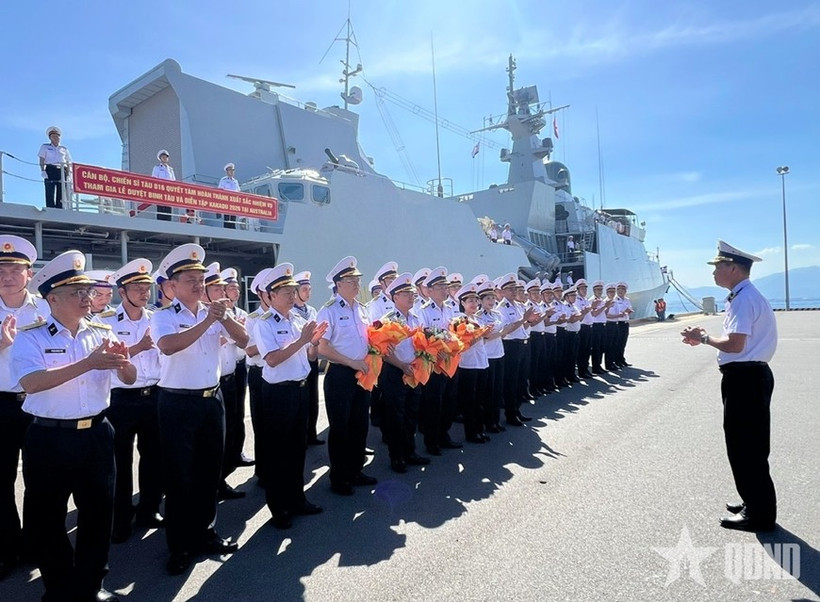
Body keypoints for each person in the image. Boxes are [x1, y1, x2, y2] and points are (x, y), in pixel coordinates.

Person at [12, 250, 136, 602]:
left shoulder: (101, 331)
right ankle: (59, 585)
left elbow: (129, 377)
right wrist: (89, 363)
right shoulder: (31, 336)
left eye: (86, 291)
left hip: (96, 434)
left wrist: (123, 363)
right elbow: (32, 383)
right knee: (48, 517)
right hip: (49, 437)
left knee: (99, 514)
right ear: (52, 298)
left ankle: (91, 583)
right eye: (75, 292)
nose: (86, 298)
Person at [150, 243, 248, 575]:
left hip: (212, 399)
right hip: (177, 402)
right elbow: (168, 346)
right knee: (179, 478)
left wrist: (224, 318)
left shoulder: (215, 310)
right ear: (172, 286)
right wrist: (209, 320)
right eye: (189, 278)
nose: (196, 284)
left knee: (209, 473)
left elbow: (245, 340)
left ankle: (205, 532)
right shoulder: (163, 316)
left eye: (200, 278)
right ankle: (178, 546)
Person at [680, 241, 778, 532]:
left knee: (745, 446)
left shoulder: (744, 300)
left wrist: (704, 338)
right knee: (750, 445)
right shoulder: (743, 296)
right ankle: (754, 501)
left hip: (745, 378)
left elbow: (736, 345)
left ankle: (760, 515)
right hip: (750, 376)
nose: (714, 271)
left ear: (733, 268)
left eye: (717, 266)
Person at [254, 263, 327, 529]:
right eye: (285, 291)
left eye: (292, 290)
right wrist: (301, 340)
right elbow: (272, 359)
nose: (291, 295)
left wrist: (314, 342)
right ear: (271, 295)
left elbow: (309, 356)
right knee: (278, 452)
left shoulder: (298, 321)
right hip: (278, 393)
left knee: (298, 449)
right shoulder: (264, 324)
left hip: (300, 389)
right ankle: (279, 506)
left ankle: (297, 498)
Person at [99, 259, 164, 545]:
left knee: (153, 458)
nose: (143, 292)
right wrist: (139, 347)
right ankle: (120, 519)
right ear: (121, 292)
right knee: (120, 463)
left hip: (154, 394)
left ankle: (148, 511)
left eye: (146, 287)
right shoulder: (106, 322)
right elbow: (108, 362)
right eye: (137, 287)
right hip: (120, 400)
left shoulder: (157, 318)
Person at [0, 236, 49, 581]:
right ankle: (6, 548)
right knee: (1, 481)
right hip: (1, 405)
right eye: (1, 269)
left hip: (38, 404)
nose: (7, 276)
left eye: (15, 269)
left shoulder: (46, 309)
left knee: (41, 480)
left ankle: (35, 543)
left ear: (29, 273)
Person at [316, 256, 376, 496]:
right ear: (338, 283)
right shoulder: (328, 310)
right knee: (341, 428)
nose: (356, 284)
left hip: (363, 373)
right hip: (340, 374)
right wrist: (352, 362)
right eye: (351, 280)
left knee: (360, 425)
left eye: (357, 279)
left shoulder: (362, 310)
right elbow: (322, 347)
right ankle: (339, 477)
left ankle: (356, 470)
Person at [201, 263, 245, 501]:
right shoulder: (200, 315)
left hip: (228, 380)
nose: (223, 293)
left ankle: (221, 480)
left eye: (222, 288)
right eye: (216, 288)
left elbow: (243, 339)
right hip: (207, 385)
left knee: (227, 435)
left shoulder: (225, 315)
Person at [379, 273, 430, 473]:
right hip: (395, 371)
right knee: (395, 415)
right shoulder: (388, 320)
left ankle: (410, 451)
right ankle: (397, 456)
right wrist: (401, 365)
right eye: (405, 293)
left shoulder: (416, 318)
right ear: (394, 297)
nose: (411, 297)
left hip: (413, 370)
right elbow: (383, 352)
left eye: (411, 293)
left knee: (411, 414)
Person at [222, 267, 254, 465]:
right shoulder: (221, 314)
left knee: (238, 413)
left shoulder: (242, 313)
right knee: (225, 417)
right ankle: (226, 457)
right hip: (225, 368)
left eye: (238, 288)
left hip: (240, 367)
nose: (236, 291)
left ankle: (237, 452)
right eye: (232, 287)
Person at [495, 273, 537, 426]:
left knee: (521, 379)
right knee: (511, 381)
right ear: (503, 292)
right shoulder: (501, 308)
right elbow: (507, 329)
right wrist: (524, 319)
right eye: (510, 289)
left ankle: (517, 409)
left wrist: (530, 321)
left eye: (515, 288)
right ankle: (511, 413)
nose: (514, 291)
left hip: (523, 344)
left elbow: (522, 326)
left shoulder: (519, 306)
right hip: (511, 345)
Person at [292, 270, 324, 446]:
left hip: (312, 357)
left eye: (309, 289)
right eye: (304, 289)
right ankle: (302, 435)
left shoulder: (312, 310)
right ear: (295, 292)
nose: (308, 293)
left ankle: (311, 433)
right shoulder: (290, 312)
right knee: (301, 401)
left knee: (313, 398)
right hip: (298, 358)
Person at [38, 126, 71, 209]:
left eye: (57, 136)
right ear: (50, 138)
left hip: (62, 170)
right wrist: (43, 171)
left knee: (61, 191)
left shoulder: (64, 149)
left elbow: (68, 161)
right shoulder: (45, 147)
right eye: (53, 136)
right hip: (50, 169)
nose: (56, 138)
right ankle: (50, 208)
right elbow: (42, 159)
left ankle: (60, 208)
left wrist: (69, 173)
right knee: (50, 190)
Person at [151, 150, 175, 221]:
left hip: (169, 192)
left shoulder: (170, 169)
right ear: (160, 158)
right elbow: (154, 179)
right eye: (163, 157)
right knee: (161, 210)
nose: (165, 158)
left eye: (166, 157)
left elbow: (174, 181)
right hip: (160, 192)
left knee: (168, 210)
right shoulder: (157, 168)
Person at [218, 163, 240, 228]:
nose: (232, 171)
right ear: (227, 172)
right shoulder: (223, 180)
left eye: (233, 170)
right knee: (227, 219)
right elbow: (220, 191)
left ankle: (233, 231)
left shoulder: (235, 181)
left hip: (234, 202)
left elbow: (238, 191)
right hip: (226, 202)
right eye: (230, 170)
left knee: (233, 219)